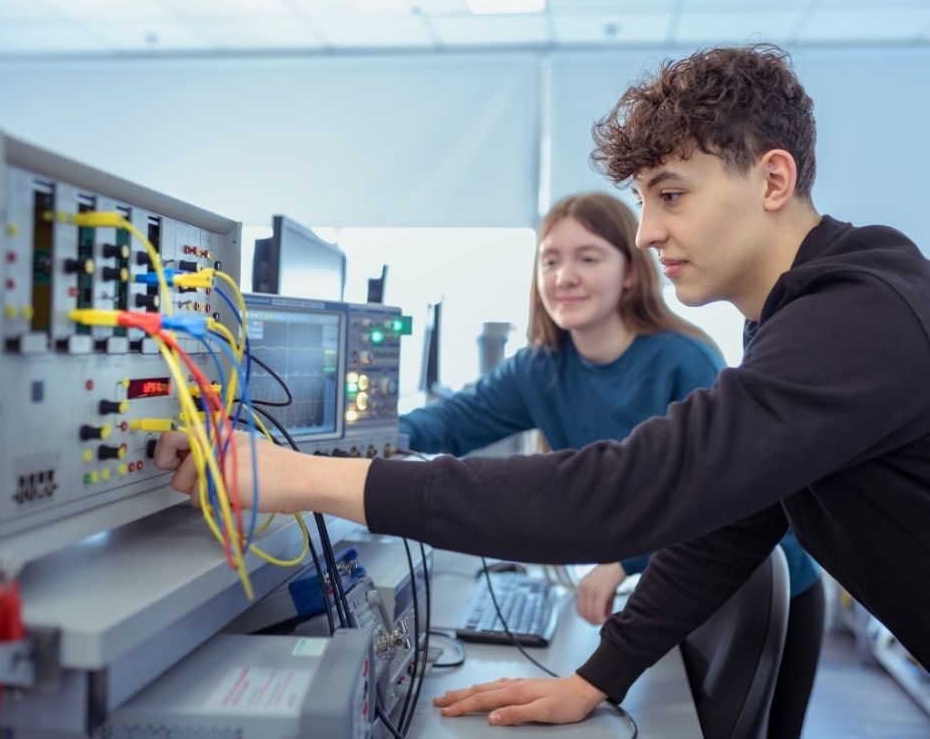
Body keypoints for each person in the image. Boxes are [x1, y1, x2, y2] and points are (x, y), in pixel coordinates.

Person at [157, 43, 930, 730]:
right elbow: (730, 522)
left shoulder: (856, 319)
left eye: (670, 194)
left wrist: (304, 478)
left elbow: (626, 491)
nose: (648, 232)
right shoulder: (802, 318)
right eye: (642, 203)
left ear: (773, 179)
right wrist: (597, 677)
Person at [398, 191, 824, 738]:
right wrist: (355, 441)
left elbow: (718, 497)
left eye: (588, 258)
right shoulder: (539, 368)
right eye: (550, 260)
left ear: (629, 272)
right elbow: (447, 423)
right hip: (672, 587)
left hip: (762, 583)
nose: (564, 276)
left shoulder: (683, 360)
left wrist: (624, 562)